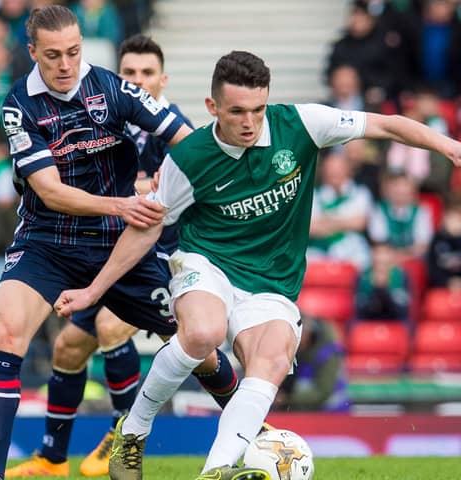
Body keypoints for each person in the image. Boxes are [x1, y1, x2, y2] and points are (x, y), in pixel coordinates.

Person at [54, 50, 461, 480]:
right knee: (204, 333)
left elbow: (383, 124)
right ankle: (132, 433)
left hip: (272, 283)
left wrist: (450, 146)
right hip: (207, 263)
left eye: (258, 109)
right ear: (213, 108)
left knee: (270, 360)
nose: (250, 122)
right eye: (237, 112)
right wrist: (93, 292)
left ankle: (217, 471)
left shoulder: (300, 124)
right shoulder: (189, 159)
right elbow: (146, 229)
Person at [0, 7, 237, 480]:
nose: (66, 65)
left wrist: (186, 172)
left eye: (74, 52)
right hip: (47, 240)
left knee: (195, 342)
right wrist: (121, 204)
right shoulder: (19, 105)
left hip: (119, 248)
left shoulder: (112, 88)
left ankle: (257, 431)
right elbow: (50, 191)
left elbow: (187, 138)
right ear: (33, 53)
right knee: (5, 333)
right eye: (53, 55)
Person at [275, 314, 349, 412]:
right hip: (305, 414)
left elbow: (323, 392)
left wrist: (287, 398)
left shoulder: (329, 354)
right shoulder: (296, 352)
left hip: (334, 415)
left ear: (310, 333)